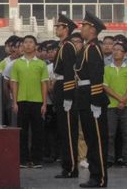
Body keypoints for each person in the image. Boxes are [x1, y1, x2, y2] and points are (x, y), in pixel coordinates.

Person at [74, 11, 109, 188]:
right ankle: (95, 175)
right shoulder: (87, 47)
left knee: (97, 140)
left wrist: (95, 102)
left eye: (85, 26)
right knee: (90, 139)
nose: (83, 28)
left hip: (92, 97)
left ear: (92, 29)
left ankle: (100, 177)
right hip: (84, 96)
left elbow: (97, 76)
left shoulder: (93, 49)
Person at [11, 35, 48, 168]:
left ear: (35, 46)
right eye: (25, 42)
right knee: (23, 131)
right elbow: (14, 83)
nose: (27, 45)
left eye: (30, 42)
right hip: (21, 101)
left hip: (37, 101)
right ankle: (23, 159)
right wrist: (14, 102)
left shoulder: (41, 64)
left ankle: (37, 159)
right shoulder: (17, 63)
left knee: (38, 132)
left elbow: (44, 84)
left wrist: (44, 103)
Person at [51, 14, 80, 179]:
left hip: (65, 89)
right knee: (64, 130)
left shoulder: (68, 47)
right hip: (61, 88)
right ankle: (67, 166)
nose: (56, 29)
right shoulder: (64, 45)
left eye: (58, 26)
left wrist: (68, 97)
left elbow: (69, 73)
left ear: (66, 28)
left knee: (69, 131)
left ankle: (71, 167)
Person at [103, 42, 127, 167]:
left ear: (124, 53)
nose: (116, 52)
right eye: (114, 49)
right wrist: (120, 99)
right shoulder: (106, 68)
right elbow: (105, 86)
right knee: (110, 135)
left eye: (119, 50)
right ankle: (110, 159)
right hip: (111, 106)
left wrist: (124, 101)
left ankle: (126, 158)